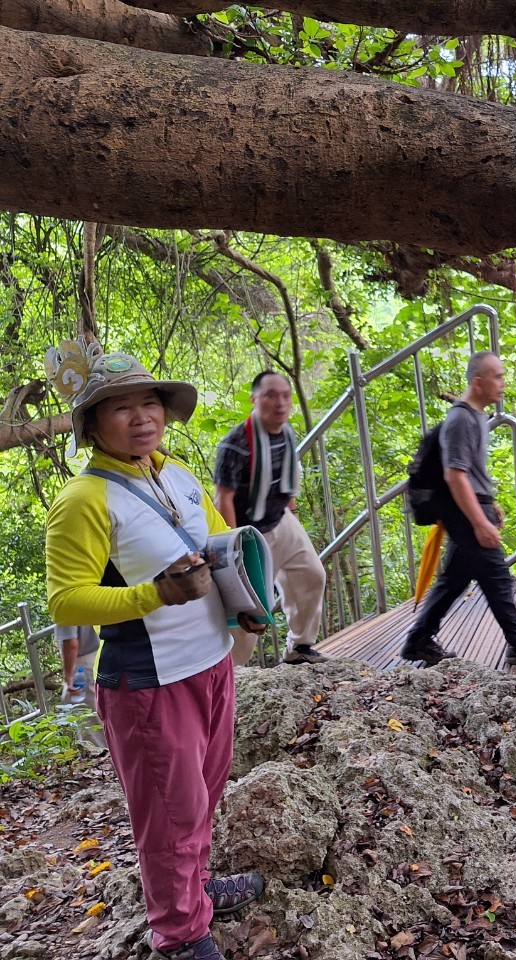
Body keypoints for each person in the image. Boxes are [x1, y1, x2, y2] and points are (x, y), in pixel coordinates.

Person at [44, 347, 267, 960]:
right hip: (147, 682)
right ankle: (181, 934)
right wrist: (154, 594)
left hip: (211, 663)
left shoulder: (175, 475)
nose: (142, 417)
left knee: (203, 788)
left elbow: (212, 547)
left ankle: (194, 889)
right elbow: (66, 601)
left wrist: (241, 603)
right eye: (122, 408)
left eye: (150, 403)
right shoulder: (84, 500)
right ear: (92, 424)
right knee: (170, 813)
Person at [399, 351, 516, 668]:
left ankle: (419, 639)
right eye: (497, 376)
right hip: (464, 510)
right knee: (496, 576)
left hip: (473, 506)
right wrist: (479, 521)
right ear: (478, 381)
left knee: (455, 579)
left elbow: (470, 472)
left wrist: (491, 502)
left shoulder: (474, 417)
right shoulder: (461, 420)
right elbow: (455, 475)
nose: (503, 383)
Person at [214, 371, 329, 666]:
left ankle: (298, 648)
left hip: (281, 518)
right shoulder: (236, 443)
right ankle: (232, 676)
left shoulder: (286, 433)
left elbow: (285, 479)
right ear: (254, 400)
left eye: (285, 395)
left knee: (312, 576)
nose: (280, 402)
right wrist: (233, 546)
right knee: (249, 611)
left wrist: (293, 515)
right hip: (249, 534)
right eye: (270, 395)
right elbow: (223, 498)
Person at [55, 623, 107, 748]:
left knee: (87, 718)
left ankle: (101, 755)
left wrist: (68, 675)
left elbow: (71, 644)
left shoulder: (63, 605)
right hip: (97, 655)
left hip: (82, 666)